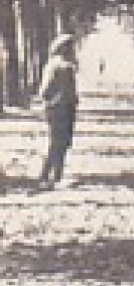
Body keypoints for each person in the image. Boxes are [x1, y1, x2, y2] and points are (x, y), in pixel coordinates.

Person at [37, 34, 79, 188]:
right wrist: (58, 100)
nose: (72, 50)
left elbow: (44, 91)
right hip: (62, 109)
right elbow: (48, 90)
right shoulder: (63, 67)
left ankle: (53, 175)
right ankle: (50, 175)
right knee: (59, 143)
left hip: (59, 108)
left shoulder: (52, 65)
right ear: (63, 48)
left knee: (59, 142)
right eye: (70, 47)